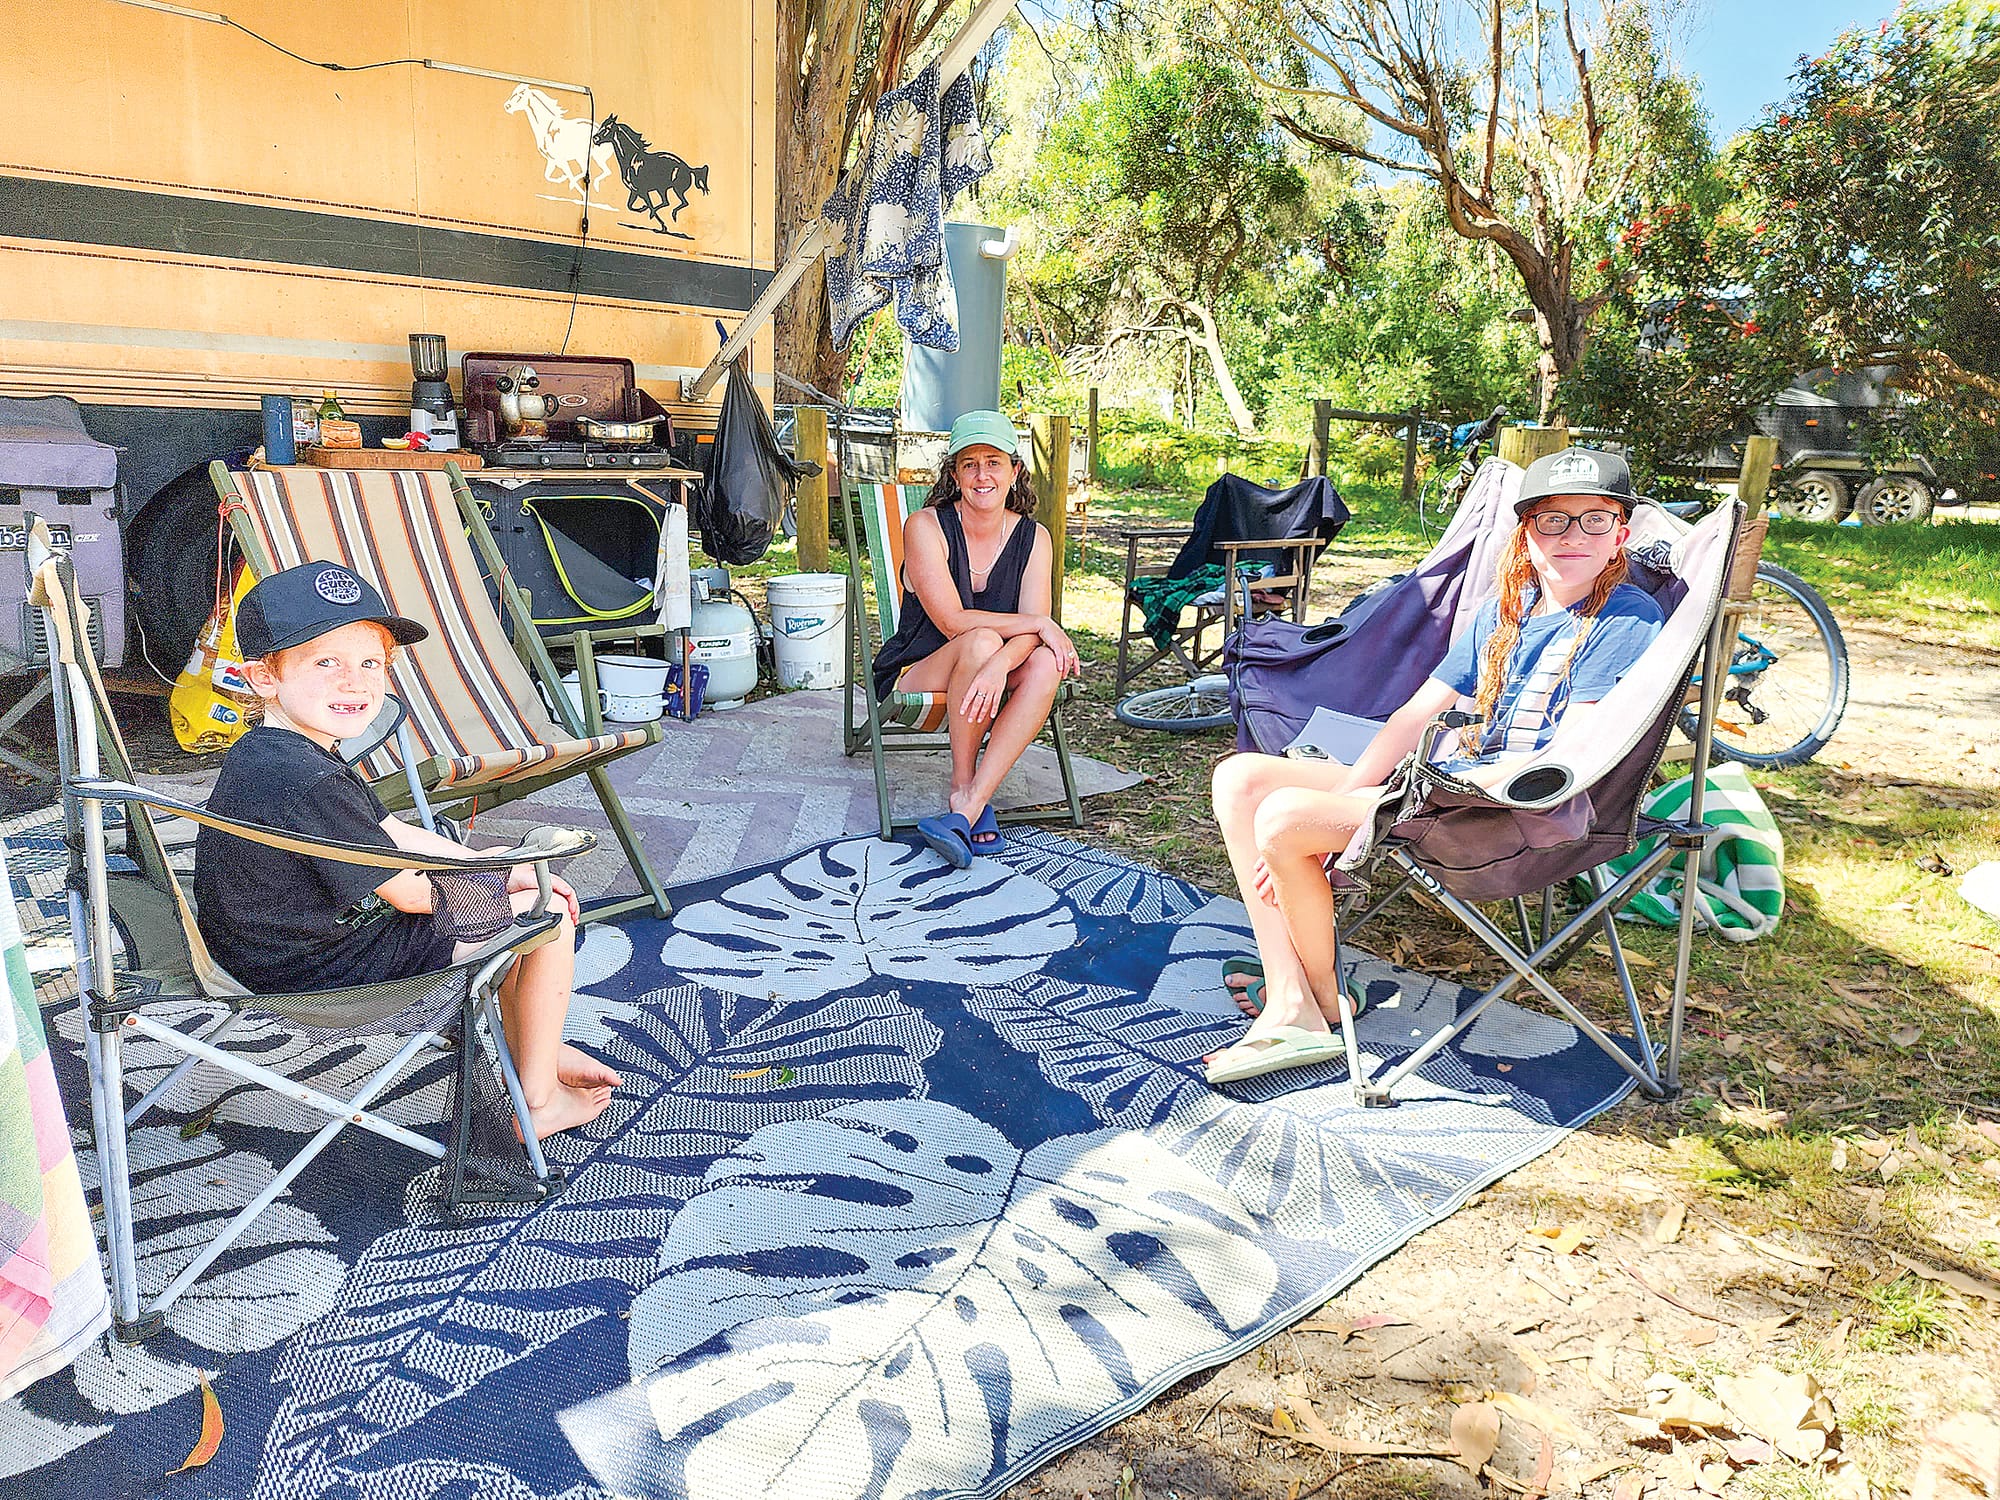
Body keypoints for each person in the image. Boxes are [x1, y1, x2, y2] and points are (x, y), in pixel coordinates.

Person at [1202, 448, 1666, 1085]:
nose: (1573, 537)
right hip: (1445, 781)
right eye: (1553, 521)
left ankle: (1303, 1010)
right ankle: (1306, 993)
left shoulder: (1627, 618)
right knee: (1241, 779)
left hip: (1507, 810)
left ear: (1621, 533)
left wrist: (1342, 812)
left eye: (1594, 519)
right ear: (1526, 533)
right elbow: (1411, 718)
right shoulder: (1507, 612)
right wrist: (1346, 794)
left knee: (1282, 820)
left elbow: (1570, 756)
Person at [192, 562, 618, 1138]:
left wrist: (499, 865)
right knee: (549, 919)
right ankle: (537, 1099)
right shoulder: (304, 779)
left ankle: (534, 1049)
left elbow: (387, 826)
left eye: (372, 664)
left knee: (522, 901)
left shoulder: (279, 752)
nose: (356, 682)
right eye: (327, 663)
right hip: (315, 975)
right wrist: (511, 888)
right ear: (263, 677)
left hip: (277, 946)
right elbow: (418, 896)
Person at [872, 410, 1082, 868]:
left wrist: (1004, 659)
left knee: (1045, 663)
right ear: (954, 473)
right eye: (969, 464)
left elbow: (1030, 629)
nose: (982, 475)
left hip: (990, 668)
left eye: (993, 462)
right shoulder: (926, 526)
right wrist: (1039, 626)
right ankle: (961, 781)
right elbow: (951, 621)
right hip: (919, 671)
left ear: (1015, 471)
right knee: (981, 640)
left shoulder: (1035, 537)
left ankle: (968, 804)